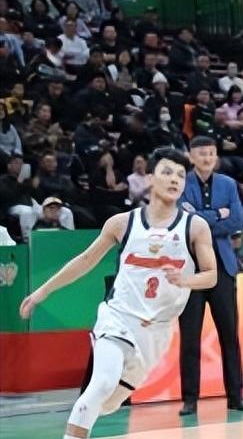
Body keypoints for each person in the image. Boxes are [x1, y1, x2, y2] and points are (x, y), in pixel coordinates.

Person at [20, 149, 217, 439]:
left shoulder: (195, 227)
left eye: (180, 175)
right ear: (149, 178)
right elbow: (85, 260)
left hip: (157, 331)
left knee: (110, 403)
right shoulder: (122, 223)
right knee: (101, 383)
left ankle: (82, 417)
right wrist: (41, 292)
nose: (174, 179)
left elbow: (211, 275)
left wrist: (186, 280)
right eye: (166, 172)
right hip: (118, 317)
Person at [177, 135, 243, 416]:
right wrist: (217, 214)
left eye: (211, 153)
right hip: (191, 270)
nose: (207, 158)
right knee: (190, 337)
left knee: (230, 335)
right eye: (201, 153)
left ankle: (236, 396)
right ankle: (189, 399)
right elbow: (185, 222)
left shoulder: (228, 184)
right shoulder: (180, 183)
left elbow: (236, 221)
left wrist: (202, 217)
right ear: (191, 157)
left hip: (223, 267)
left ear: (216, 156)